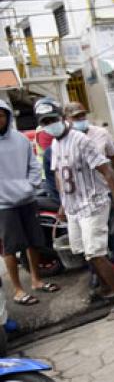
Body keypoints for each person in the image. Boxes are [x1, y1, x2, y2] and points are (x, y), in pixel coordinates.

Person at [36, 100, 114, 320]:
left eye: (53, 119)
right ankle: (106, 289)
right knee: (83, 252)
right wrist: (63, 203)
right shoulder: (56, 145)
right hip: (73, 207)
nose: (50, 124)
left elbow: (108, 171)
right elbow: (60, 176)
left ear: (62, 117)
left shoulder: (81, 140)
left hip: (93, 203)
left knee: (96, 254)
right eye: (45, 122)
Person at [63, 102, 114, 278]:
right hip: (82, 196)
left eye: (82, 116)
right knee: (89, 240)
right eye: (75, 117)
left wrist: (113, 177)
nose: (80, 120)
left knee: (113, 231)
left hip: (104, 191)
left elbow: (112, 156)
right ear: (67, 119)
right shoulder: (65, 140)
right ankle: (97, 275)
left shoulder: (101, 134)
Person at [0, 98, 59, 306]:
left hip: (27, 199)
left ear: (7, 116)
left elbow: (34, 165)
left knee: (33, 241)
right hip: (4, 206)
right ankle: (17, 289)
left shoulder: (20, 140)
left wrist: (30, 186)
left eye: (1, 115)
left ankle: (36, 280)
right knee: (9, 248)